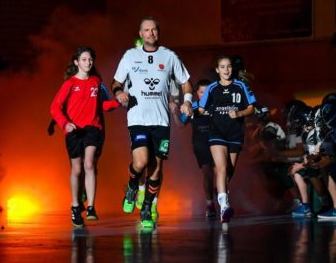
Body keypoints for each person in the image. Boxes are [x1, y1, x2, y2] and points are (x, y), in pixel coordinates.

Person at [112, 16, 193, 229]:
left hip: (161, 121)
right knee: (140, 162)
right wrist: (119, 92)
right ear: (140, 34)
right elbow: (116, 82)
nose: (151, 33)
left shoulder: (169, 56)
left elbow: (185, 82)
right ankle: (131, 186)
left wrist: (187, 102)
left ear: (159, 32)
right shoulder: (130, 56)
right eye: (146, 30)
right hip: (138, 118)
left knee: (156, 167)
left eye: (154, 30)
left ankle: (147, 207)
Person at [50, 46, 119, 227]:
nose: (88, 63)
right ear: (76, 62)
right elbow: (55, 107)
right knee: (77, 169)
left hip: (92, 128)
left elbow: (105, 105)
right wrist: (65, 123)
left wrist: (120, 102)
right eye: (84, 59)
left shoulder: (97, 82)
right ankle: (75, 206)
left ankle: (91, 207)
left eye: (90, 60)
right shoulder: (70, 84)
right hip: (74, 131)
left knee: (89, 164)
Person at [198, 54, 256, 223]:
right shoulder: (212, 88)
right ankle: (225, 206)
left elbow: (251, 108)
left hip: (235, 133)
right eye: (222, 67)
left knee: (229, 171)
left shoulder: (240, 86)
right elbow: (201, 109)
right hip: (216, 133)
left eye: (229, 66)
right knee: (221, 168)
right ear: (217, 70)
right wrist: (188, 110)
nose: (226, 70)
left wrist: (239, 113)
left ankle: (221, 189)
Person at [178, 79, 217, 218]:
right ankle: (210, 205)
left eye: (207, 92)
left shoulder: (216, 106)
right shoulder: (193, 107)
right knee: (207, 173)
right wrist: (173, 112)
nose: (204, 94)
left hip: (217, 142)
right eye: (201, 92)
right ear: (196, 93)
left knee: (221, 171)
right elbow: (181, 124)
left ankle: (220, 192)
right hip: (200, 144)